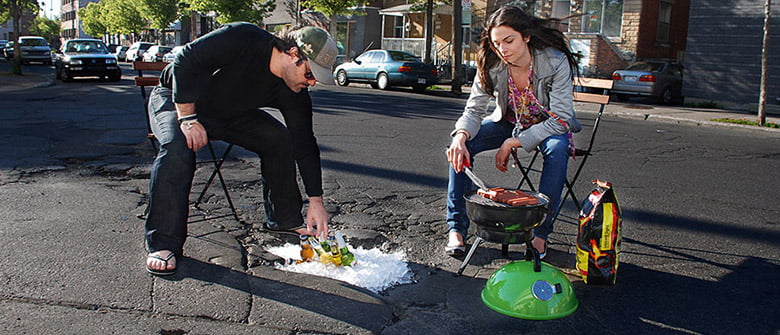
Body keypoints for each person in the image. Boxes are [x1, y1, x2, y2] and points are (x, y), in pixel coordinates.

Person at [144, 23, 337, 276]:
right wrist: (187, 118)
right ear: (293, 53)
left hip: (227, 115)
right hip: (177, 101)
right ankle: (163, 243)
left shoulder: (294, 92)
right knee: (177, 146)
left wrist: (316, 200)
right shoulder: (244, 37)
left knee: (279, 139)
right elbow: (185, 60)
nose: (311, 82)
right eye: (310, 73)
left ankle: (284, 220)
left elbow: (305, 144)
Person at [445, 5, 582, 258]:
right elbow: (474, 110)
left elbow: (561, 119)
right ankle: (456, 228)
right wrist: (460, 136)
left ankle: (540, 235)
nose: (503, 49)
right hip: (509, 122)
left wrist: (513, 142)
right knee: (460, 147)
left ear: (526, 36)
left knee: (558, 149)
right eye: (497, 43)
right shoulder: (491, 63)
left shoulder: (554, 61)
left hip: (548, 126)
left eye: (509, 41)